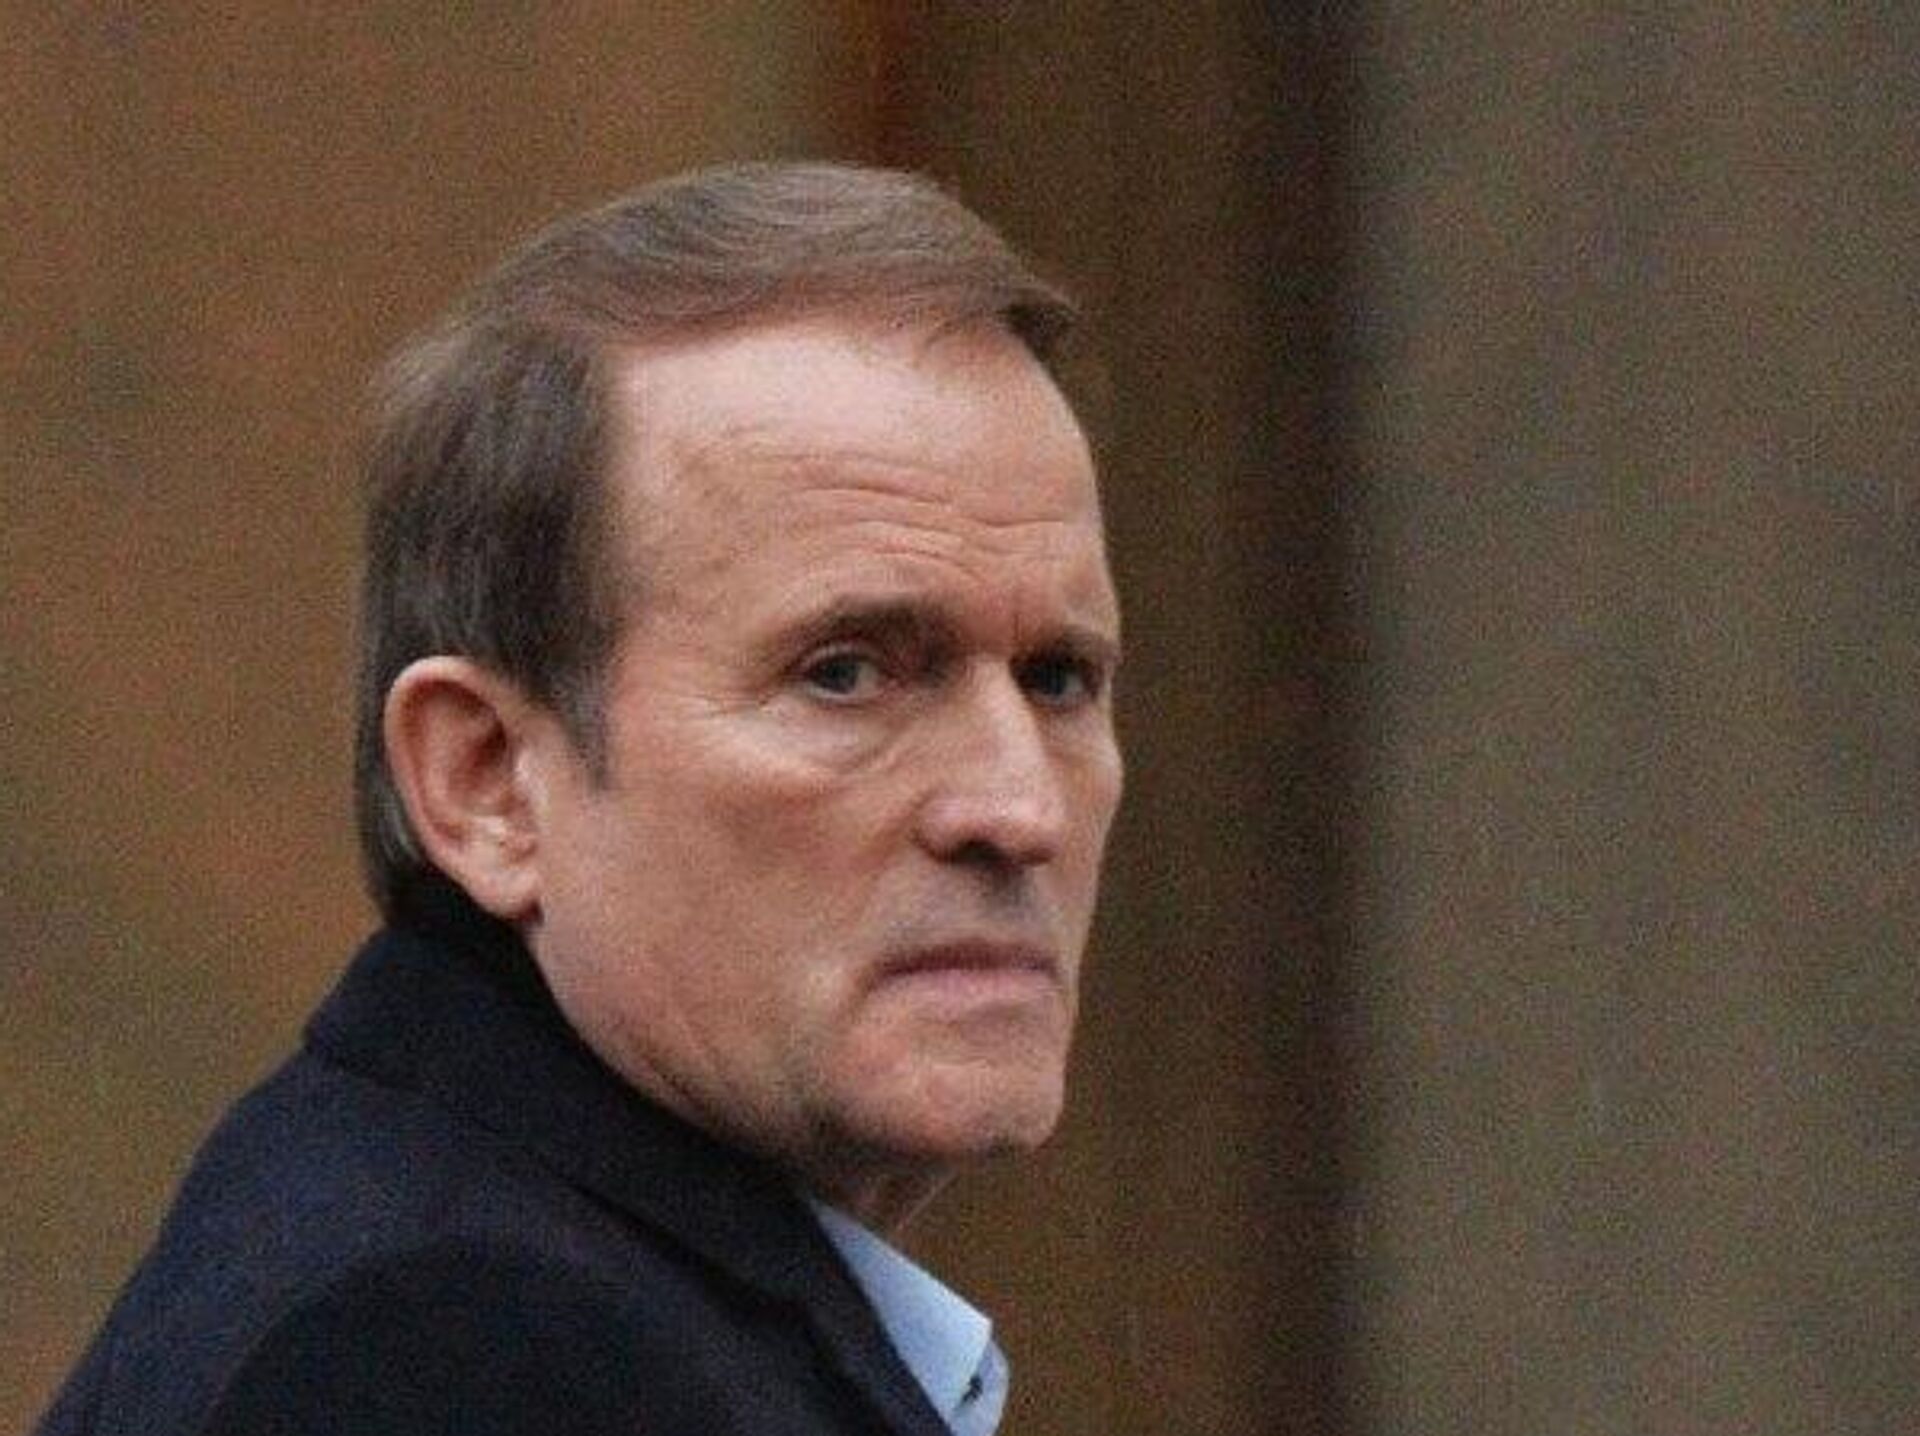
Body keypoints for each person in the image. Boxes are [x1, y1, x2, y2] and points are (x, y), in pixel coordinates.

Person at [37, 161, 1123, 1436]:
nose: (1018, 807)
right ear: (487, 780)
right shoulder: (449, 1346)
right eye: (844, 674)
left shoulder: (514, 1266)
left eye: (1059, 678)